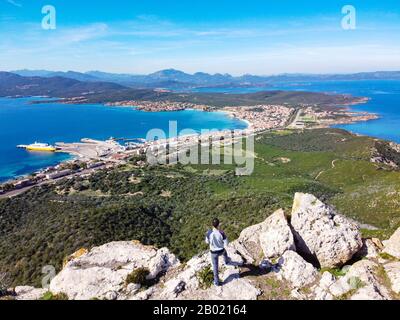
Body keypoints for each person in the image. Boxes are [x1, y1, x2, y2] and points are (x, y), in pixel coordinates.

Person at [205, 218, 231, 286]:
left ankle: (216, 282)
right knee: (225, 253)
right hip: (221, 251)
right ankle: (227, 261)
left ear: (212, 225)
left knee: (215, 266)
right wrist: (222, 245)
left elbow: (207, 242)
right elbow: (226, 243)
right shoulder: (221, 233)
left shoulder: (209, 233)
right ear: (218, 224)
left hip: (213, 253)